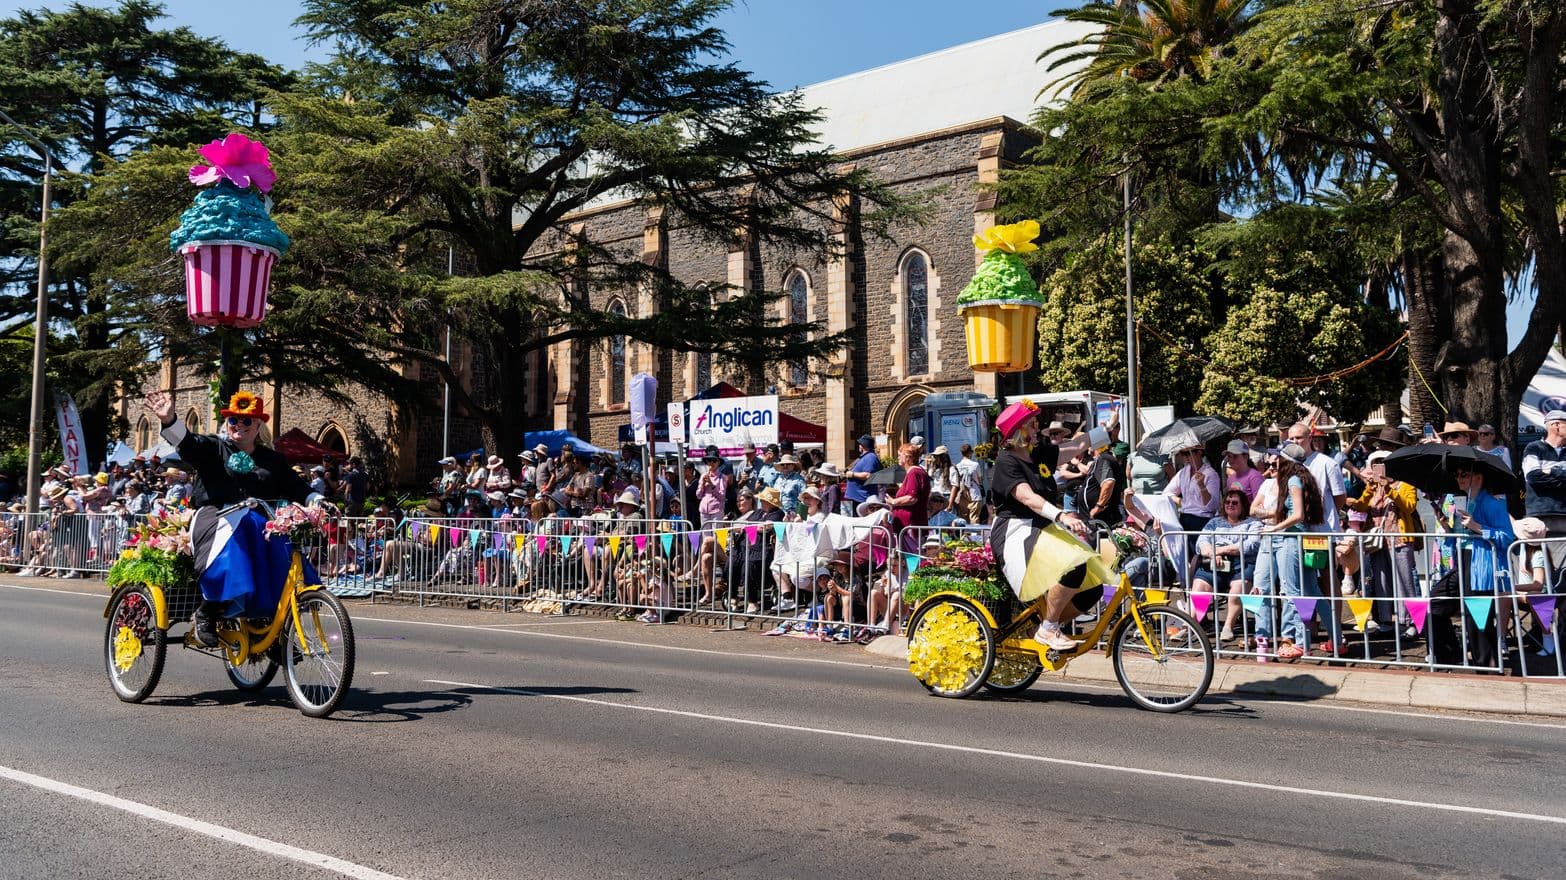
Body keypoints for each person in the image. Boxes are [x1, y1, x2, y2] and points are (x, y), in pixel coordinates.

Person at [143, 389, 323, 647]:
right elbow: (189, 444)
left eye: (247, 420)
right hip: (215, 519)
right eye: (233, 420)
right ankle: (209, 610)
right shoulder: (214, 448)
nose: (239, 425)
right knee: (241, 537)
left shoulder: (273, 460)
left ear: (259, 425)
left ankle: (270, 628)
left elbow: (297, 487)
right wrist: (170, 420)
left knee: (281, 549)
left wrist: (317, 501)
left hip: (259, 524)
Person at [986, 400, 1114, 652]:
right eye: (1033, 424)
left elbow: (1077, 445)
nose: (1038, 428)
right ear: (1019, 430)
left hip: (1043, 527)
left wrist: (1107, 428)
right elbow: (1026, 497)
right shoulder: (1006, 461)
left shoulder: (1039, 453)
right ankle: (1049, 629)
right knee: (1074, 566)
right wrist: (1062, 516)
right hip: (1017, 532)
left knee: (1092, 589)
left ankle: (1043, 625)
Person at [1190, 488, 1262, 642]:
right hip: (1214, 561)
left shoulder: (1253, 523)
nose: (1230, 505)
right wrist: (1212, 553)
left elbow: (1251, 545)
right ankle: (1191, 626)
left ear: (1243, 505)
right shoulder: (1214, 522)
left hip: (1241, 562)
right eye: (1227, 502)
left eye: (1235, 502)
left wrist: (1221, 550)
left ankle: (1228, 626)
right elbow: (1201, 542)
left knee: (1236, 591)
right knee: (1199, 589)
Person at [1522, 409, 1566, 537]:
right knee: (1541, 557)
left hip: (1564, 515)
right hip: (1540, 516)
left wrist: (1551, 471)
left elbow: (1539, 477)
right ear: (1556, 426)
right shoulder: (1533, 448)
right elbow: (1533, 478)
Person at [844, 435, 880, 516]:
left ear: (863, 445)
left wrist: (852, 474)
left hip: (862, 499)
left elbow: (869, 475)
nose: (859, 446)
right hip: (858, 498)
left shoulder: (871, 457)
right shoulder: (865, 457)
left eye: (860, 444)